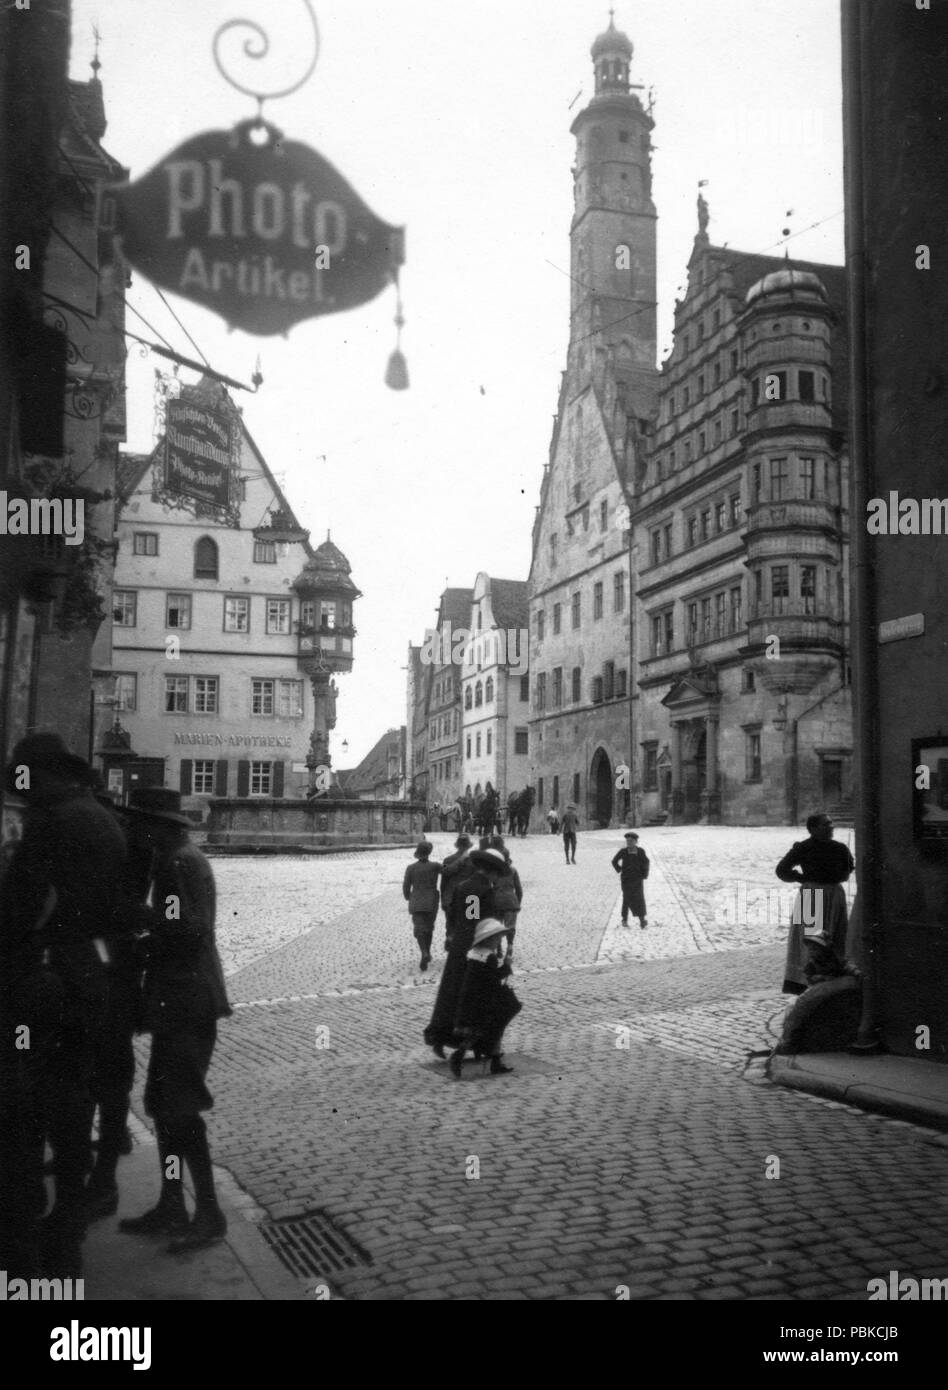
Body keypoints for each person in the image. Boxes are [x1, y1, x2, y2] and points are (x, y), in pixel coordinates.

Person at [0, 733, 126, 1279]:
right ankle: (68, 1228)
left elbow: (21, 906)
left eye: (25, 778)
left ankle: (25, 1236)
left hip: (42, 980)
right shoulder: (102, 819)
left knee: (23, 1104)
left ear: (43, 774)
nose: (21, 788)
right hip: (89, 974)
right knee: (73, 1104)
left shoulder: (49, 822)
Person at [118, 787, 232, 1252]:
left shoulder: (177, 864)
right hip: (181, 998)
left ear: (156, 826)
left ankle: (208, 1212)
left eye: (138, 824)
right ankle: (171, 1202)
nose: (132, 832)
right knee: (166, 1106)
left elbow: (188, 930)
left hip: (187, 999)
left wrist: (142, 932)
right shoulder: (178, 858)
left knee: (180, 1107)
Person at [423, 844, 497, 1057]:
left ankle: (441, 1036)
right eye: (496, 874)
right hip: (473, 945)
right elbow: (474, 918)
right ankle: (470, 1041)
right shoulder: (477, 890)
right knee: (470, 994)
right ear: (489, 871)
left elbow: (454, 916)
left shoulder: (463, 886)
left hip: (459, 945)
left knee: (451, 991)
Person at [449, 876, 523, 1079]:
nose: (499, 940)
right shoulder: (488, 957)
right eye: (497, 938)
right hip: (484, 1002)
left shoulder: (474, 955)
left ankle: (492, 1060)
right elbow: (493, 978)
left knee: (482, 1031)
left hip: (471, 1000)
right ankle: (471, 1056)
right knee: (491, 1029)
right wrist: (506, 966)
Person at [775, 812, 855, 995]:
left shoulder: (840, 848)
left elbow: (849, 868)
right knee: (811, 940)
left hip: (834, 895)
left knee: (835, 936)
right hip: (811, 894)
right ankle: (806, 982)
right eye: (825, 824)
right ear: (813, 829)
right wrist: (802, 878)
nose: (831, 827)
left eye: (831, 824)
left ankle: (833, 982)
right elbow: (782, 869)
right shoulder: (803, 848)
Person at [402, 840, 442, 971]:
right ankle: (427, 952)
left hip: (416, 901)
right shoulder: (435, 866)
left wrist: (409, 897)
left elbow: (406, 886)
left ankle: (424, 952)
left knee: (419, 928)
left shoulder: (411, 868)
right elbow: (449, 870)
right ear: (429, 852)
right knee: (429, 928)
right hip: (431, 901)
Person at [487, 834, 524, 961]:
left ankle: (498, 949)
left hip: (497, 900)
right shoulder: (513, 870)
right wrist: (517, 903)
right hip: (511, 900)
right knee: (510, 926)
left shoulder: (493, 871)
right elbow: (519, 890)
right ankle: (510, 946)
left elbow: (488, 887)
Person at [612, 831, 650, 928]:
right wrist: (620, 869)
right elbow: (614, 861)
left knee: (639, 899)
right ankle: (624, 920)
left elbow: (646, 862)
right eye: (627, 841)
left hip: (637, 879)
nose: (629, 843)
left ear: (636, 841)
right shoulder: (623, 851)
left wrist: (644, 874)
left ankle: (642, 920)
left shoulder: (640, 851)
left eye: (631, 841)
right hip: (626, 879)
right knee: (626, 898)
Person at [439, 834, 472, 946]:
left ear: (457, 845)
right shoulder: (474, 862)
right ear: (468, 846)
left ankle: (450, 938)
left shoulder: (447, 860)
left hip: (450, 897)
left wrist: (443, 899)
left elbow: (443, 882)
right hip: (469, 898)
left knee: (450, 924)